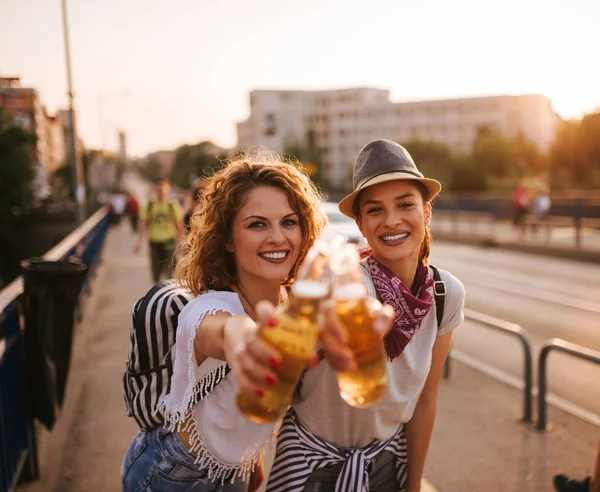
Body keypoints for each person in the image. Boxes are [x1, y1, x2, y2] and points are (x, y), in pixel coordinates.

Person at [121, 152, 331, 491]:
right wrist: (242, 341)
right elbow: (224, 331)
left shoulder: (295, 305)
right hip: (174, 473)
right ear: (228, 240)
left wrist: (252, 461)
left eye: (289, 222)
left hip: (235, 472)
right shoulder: (211, 307)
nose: (278, 237)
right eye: (257, 224)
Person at [264, 139, 465, 491]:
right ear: (360, 222)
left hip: (387, 463)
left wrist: (413, 484)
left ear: (427, 212)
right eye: (375, 210)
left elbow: (426, 401)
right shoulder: (342, 280)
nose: (392, 221)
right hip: (312, 465)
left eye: (405, 205)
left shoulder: (446, 294)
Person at [135, 178, 184, 283]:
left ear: (168, 189)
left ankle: (169, 294)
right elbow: (142, 225)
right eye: (159, 187)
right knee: (155, 273)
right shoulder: (149, 205)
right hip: (154, 242)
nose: (161, 190)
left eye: (163, 187)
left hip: (169, 241)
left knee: (169, 272)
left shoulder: (172, 205)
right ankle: (157, 292)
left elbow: (178, 224)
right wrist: (139, 242)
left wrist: (183, 242)